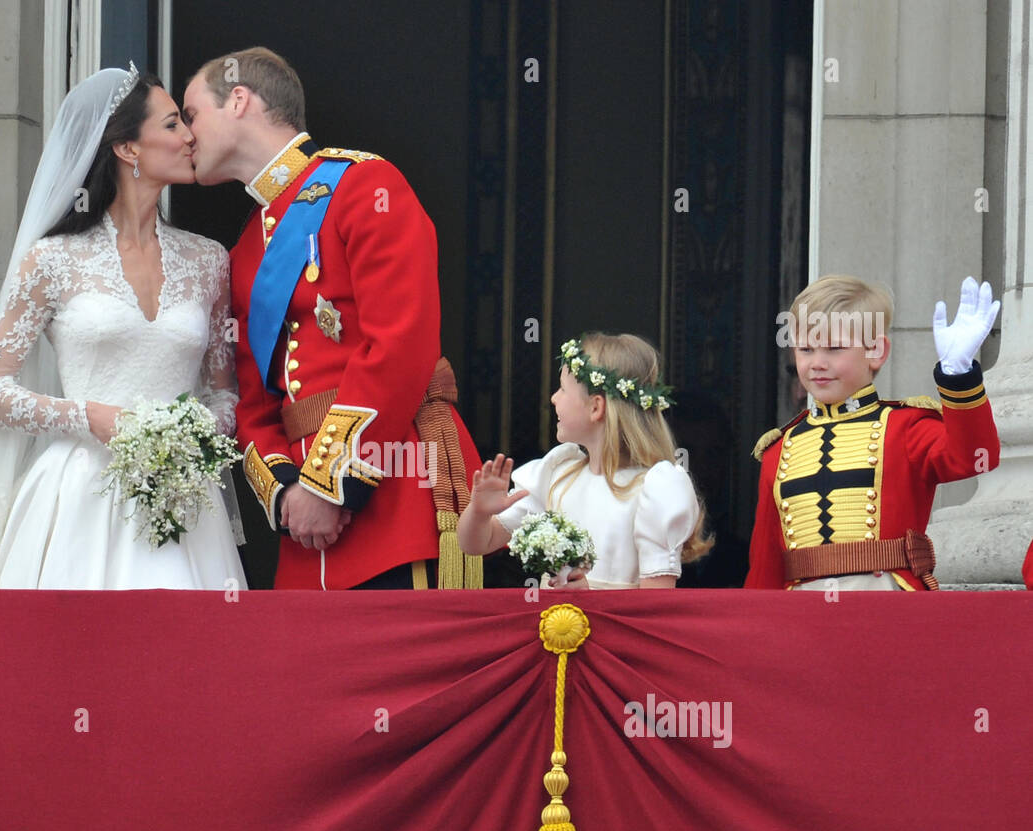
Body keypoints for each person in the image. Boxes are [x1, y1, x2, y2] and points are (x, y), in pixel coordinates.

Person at [181, 47, 482, 590]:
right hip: (304, 533)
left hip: (391, 497)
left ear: (240, 100)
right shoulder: (248, 245)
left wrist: (329, 486)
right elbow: (253, 403)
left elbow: (401, 347)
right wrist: (290, 493)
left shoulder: (365, 186)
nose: (185, 134)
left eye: (192, 114)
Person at [0, 64, 245, 590]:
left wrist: (188, 434)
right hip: (77, 495)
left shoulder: (209, 261)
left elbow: (226, 396)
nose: (190, 137)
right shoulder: (51, 260)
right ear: (128, 149)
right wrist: (89, 416)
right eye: (174, 124)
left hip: (181, 500)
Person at [745, 274, 1000, 590]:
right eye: (806, 349)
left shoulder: (904, 427)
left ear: (876, 351)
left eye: (834, 348)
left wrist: (958, 376)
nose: (817, 363)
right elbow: (765, 566)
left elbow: (977, 458)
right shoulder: (778, 449)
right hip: (802, 613)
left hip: (888, 604)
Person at [458, 332, 714, 589]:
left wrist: (590, 596)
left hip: (615, 629)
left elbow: (656, 602)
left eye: (562, 389)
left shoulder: (654, 489)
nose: (553, 398)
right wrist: (480, 513)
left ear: (596, 407)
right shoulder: (555, 474)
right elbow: (476, 545)